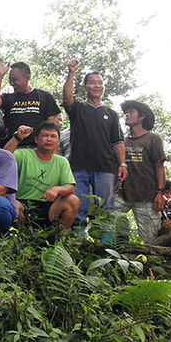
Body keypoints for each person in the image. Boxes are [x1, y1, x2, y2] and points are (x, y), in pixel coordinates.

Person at [62, 60, 126, 226]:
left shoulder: (111, 114)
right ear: (85, 87)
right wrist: (71, 73)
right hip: (79, 167)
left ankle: (105, 247)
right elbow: (67, 98)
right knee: (78, 208)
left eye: (100, 83)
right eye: (92, 83)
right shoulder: (79, 108)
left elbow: (117, 142)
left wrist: (123, 164)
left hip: (105, 168)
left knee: (106, 209)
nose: (97, 86)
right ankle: (78, 244)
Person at [4, 122, 79, 229]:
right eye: (45, 135)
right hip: (23, 204)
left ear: (58, 141)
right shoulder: (23, 155)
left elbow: (70, 187)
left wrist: (57, 189)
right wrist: (17, 137)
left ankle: (58, 238)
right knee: (11, 204)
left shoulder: (62, 162)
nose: (49, 139)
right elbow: (4, 158)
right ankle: (21, 239)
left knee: (73, 200)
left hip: (49, 207)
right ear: (36, 139)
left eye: (53, 136)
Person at [115, 100, 165, 244]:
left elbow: (159, 167)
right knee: (111, 228)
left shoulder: (153, 139)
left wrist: (160, 193)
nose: (127, 115)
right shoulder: (122, 141)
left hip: (147, 196)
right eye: (126, 112)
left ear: (141, 117)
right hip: (123, 195)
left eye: (131, 112)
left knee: (151, 241)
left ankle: (150, 266)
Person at [0, 59, 61, 147]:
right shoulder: (7, 97)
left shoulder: (44, 96)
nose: (12, 83)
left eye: (15, 80)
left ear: (27, 78)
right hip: (13, 147)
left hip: (37, 149)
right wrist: (0, 76)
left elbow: (51, 126)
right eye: (10, 80)